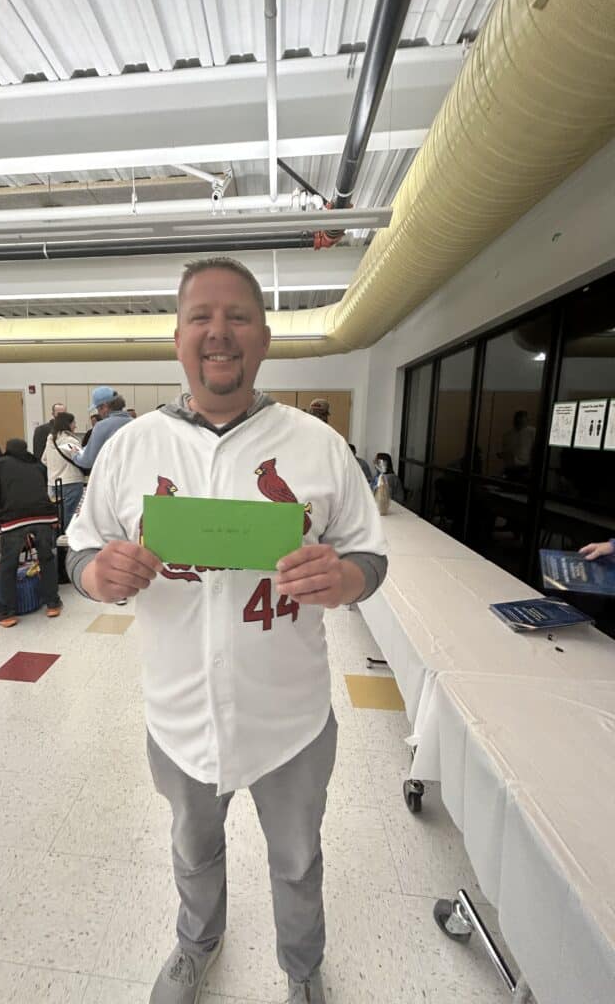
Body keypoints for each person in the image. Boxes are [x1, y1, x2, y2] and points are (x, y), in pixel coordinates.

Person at [67, 257, 387, 1004]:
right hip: (178, 714)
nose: (219, 332)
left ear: (264, 338)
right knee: (191, 850)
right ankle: (195, 945)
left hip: (290, 718)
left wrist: (344, 579)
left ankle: (301, 969)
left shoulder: (316, 444)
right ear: (177, 338)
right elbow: (82, 547)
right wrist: (96, 574)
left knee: (298, 860)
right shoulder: (132, 447)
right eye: (201, 318)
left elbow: (369, 554)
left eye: (238, 316)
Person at [0, 438, 62, 628]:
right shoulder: (38, 465)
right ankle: (52, 604)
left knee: (8, 564)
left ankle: (6, 613)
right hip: (44, 516)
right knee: (46, 559)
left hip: (14, 518)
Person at [41, 412, 85, 531]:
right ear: (68, 424)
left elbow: (44, 459)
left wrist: (56, 468)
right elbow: (82, 460)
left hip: (53, 484)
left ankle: (56, 540)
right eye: (74, 423)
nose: (75, 426)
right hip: (71, 482)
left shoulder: (50, 440)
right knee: (69, 516)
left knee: (57, 517)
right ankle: (68, 540)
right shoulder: (70, 441)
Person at [71, 386, 132, 471]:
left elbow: (88, 461)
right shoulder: (135, 423)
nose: (98, 413)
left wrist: (75, 455)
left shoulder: (101, 426)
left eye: (98, 409)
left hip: (112, 475)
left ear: (105, 406)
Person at [498, 409, 536, 481]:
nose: (519, 422)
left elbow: (536, 451)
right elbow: (505, 450)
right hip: (510, 468)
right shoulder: (507, 435)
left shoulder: (532, 432)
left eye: (521, 420)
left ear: (527, 420)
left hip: (524, 468)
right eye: (518, 420)